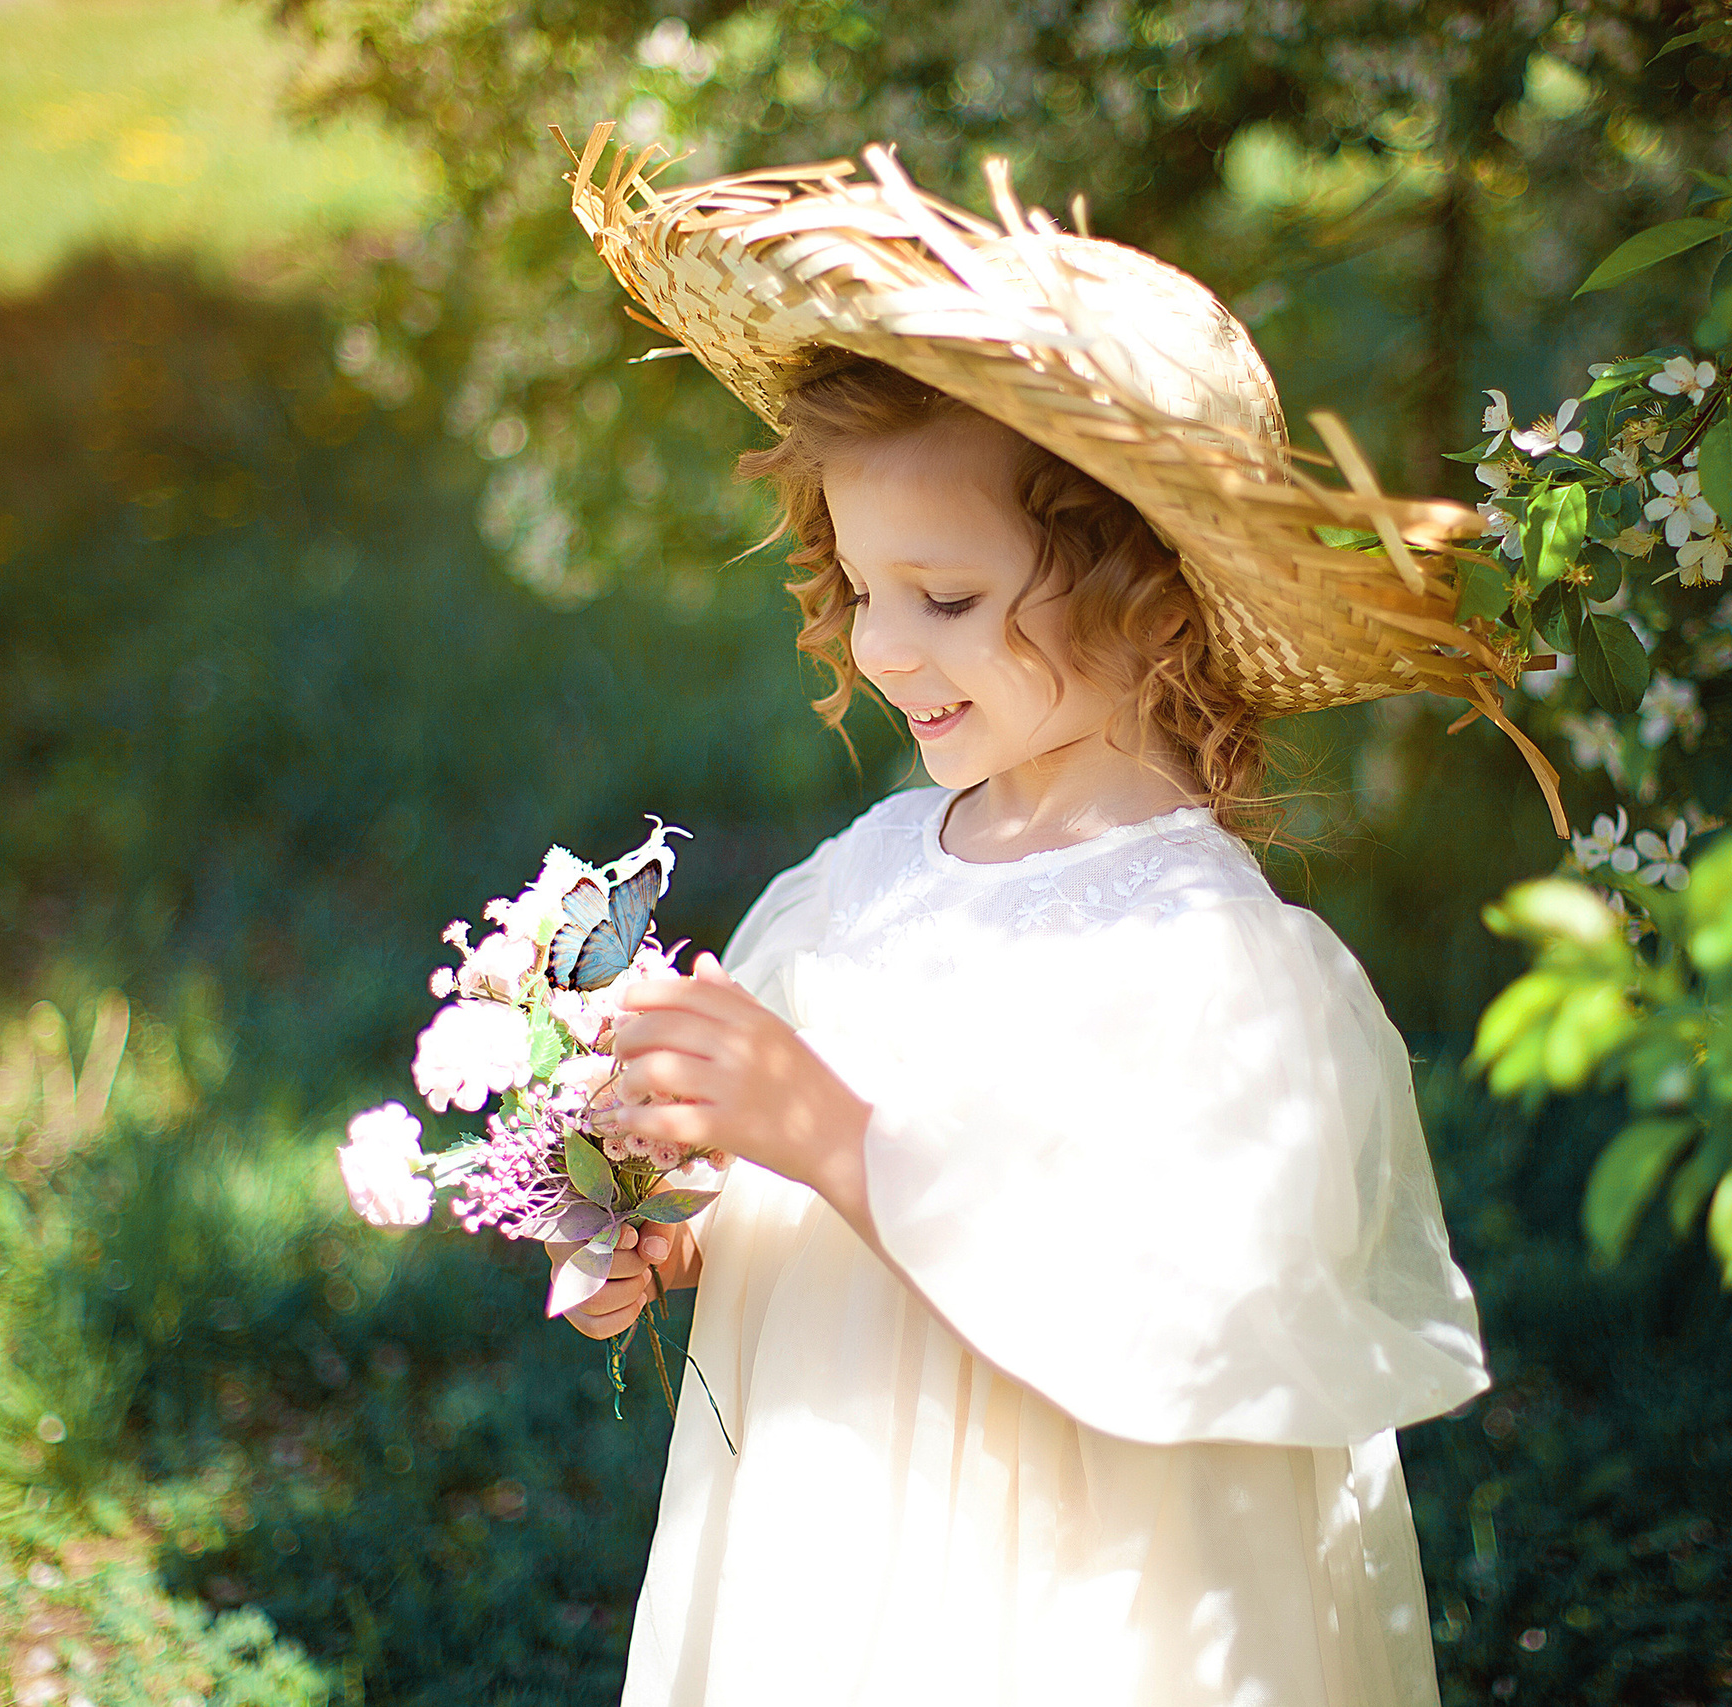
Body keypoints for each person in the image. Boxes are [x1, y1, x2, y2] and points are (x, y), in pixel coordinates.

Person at [550, 132, 1529, 1707]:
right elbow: (798, 1190)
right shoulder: (870, 869)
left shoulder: (1209, 957)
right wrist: (678, 1228)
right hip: (837, 1528)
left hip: (1065, 1588)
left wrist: (836, 1137)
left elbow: (1189, 1313)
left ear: (1147, 591)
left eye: (945, 597)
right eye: (862, 586)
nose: (880, 647)